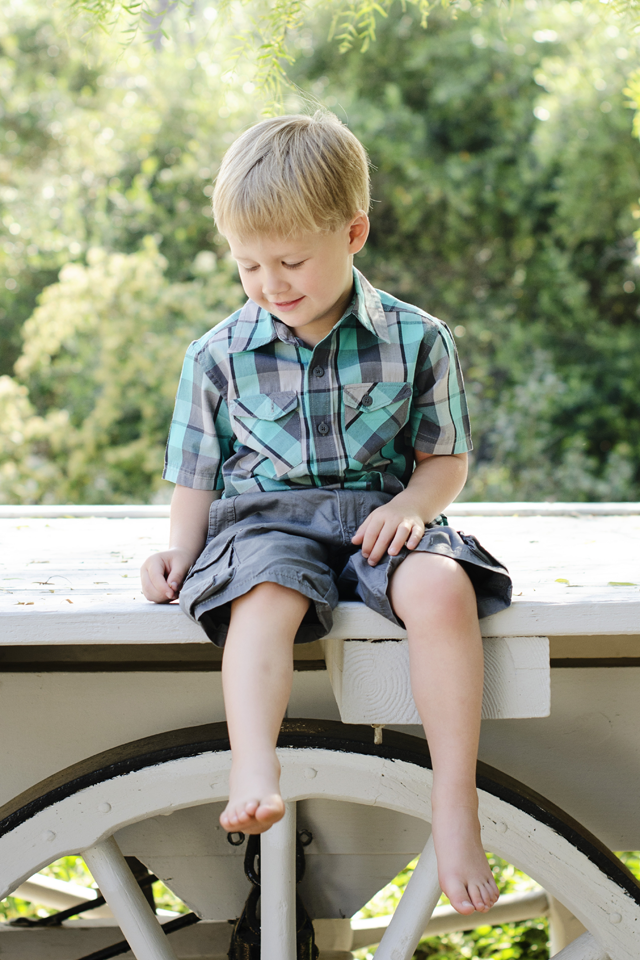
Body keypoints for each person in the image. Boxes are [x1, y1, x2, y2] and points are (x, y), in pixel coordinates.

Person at [140, 112, 512, 916]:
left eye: (291, 261)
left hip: (380, 514)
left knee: (443, 587)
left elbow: (445, 460)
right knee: (261, 597)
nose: (270, 283)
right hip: (264, 524)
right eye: (248, 265)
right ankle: (253, 765)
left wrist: (414, 506)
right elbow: (195, 478)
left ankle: (455, 803)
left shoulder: (418, 339)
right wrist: (178, 553)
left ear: (353, 233)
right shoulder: (217, 354)